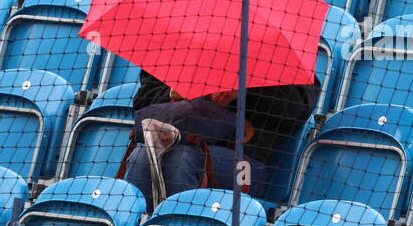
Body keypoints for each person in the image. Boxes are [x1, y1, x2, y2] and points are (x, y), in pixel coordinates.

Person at [119, 69, 320, 211]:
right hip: (174, 143)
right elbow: (142, 101)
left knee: (182, 158)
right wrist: (172, 91)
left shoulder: (279, 56)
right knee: (140, 155)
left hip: (245, 166)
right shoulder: (185, 46)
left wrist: (242, 91)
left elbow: (296, 111)